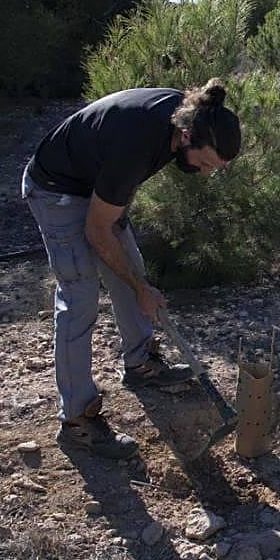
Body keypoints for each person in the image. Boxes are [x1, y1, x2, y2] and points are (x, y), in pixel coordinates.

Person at [22, 79, 241, 457]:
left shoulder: (185, 113)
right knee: (80, 296)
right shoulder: (138, 142)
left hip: (97, 185)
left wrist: (134, 277)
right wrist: (141, 288)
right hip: (55, 191)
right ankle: (77, 419)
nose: (206, 174)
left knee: (131, 269)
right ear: (187, 136)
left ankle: (141, 364)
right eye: (205, 164)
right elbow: (95, 229)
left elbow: (118, 192)